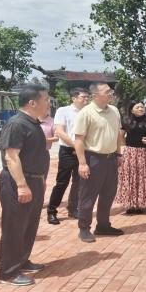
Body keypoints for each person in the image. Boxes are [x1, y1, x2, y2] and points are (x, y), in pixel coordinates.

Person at [0, 85, 51, 286]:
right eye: (46, 99)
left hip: (34, 180)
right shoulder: (17, 124)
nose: (49, 103)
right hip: (18, 181)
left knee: (28, 225)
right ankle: (8, 272)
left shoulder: (33, 123)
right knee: (15, 226)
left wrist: (39, 179)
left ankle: (21, 260)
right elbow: (11, 157)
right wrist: (21, 185)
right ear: (32, 102)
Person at [73, 82, 124, 242]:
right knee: (88, 196)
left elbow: (117, 134)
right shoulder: (86, 113)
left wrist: (119, 153)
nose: (111, 93)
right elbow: (78, 140)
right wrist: (82, 163)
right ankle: (84, 228)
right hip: (93, 159)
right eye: (107, 91)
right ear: (96, 95)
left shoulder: (114, 110)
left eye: (111, 90)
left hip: (111, 159)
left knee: (108, 194)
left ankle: (103, 225)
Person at [46, 88, 89, 225]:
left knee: (78, 182)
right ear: (73, 98)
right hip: (67, 151)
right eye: (83, 97)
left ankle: (73, 209)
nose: (86, 99)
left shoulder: (88, 112)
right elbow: (60, 132)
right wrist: (76, 146)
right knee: (62, 182)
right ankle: (52, 211)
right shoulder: (63, 111)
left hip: (82, 151)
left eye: (87, 97)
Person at [39, 111, 58, 180]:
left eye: (48, 107)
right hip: (29, 152)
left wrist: (44, 140)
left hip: (44, 152)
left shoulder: (53, 121)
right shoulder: (32, 119)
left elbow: (57, 138)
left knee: (42, 178)